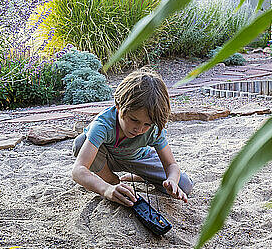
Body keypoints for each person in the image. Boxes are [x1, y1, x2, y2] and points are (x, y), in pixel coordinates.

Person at [71, 68, 193, 207]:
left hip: (138, 157)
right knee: (81, 142)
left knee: (184, 185)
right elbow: (78, 170)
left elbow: (171, 164)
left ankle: (141, 177)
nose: (139, 129)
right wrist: (107, 189)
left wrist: (172, 180)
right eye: (134, 120)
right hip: (108, 159)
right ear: (118, 106)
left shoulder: (153, 128)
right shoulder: (102, 125)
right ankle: (111, 180)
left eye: (147, 124)